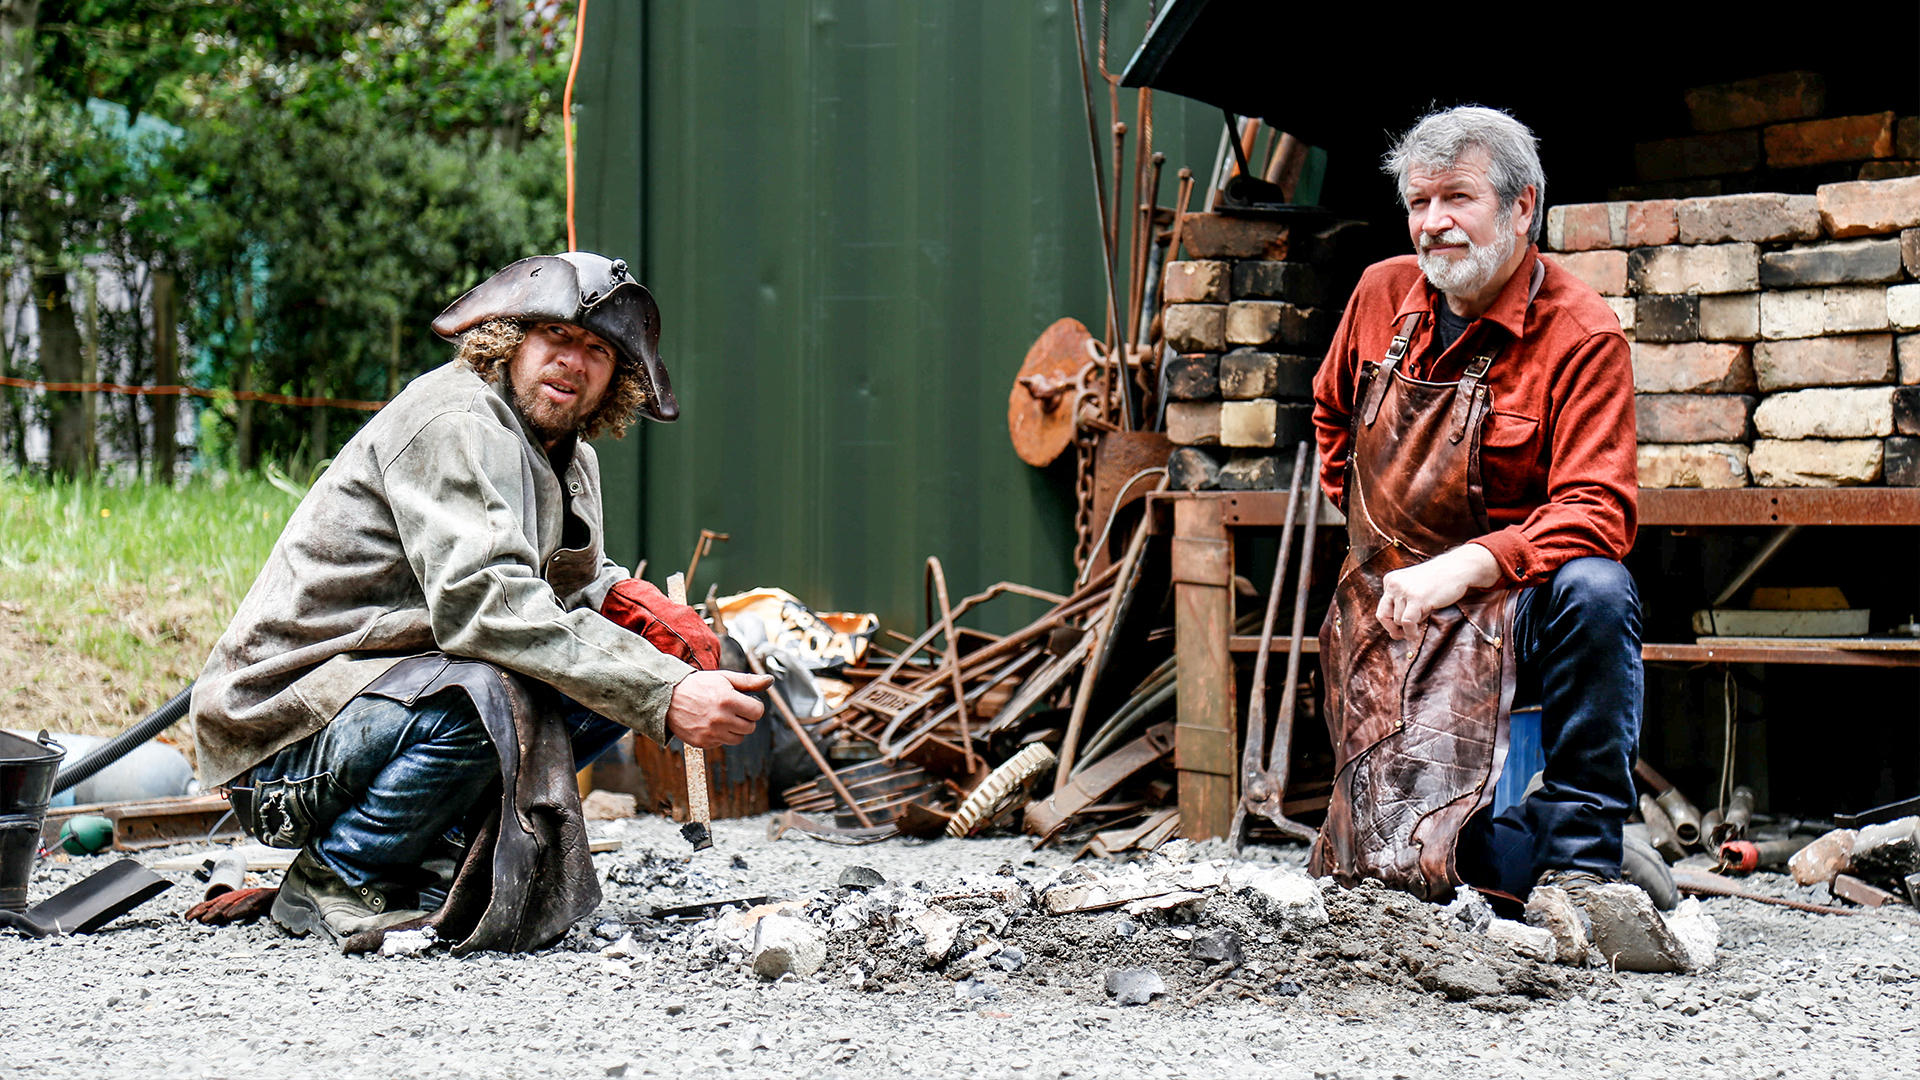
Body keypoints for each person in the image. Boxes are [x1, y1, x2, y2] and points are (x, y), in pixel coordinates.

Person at [189, 251, 770, 946]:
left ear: (618, 379)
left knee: (611, 666)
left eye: (596, 351)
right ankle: (339, 874)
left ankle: (429, 853)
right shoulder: (453, 420)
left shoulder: (570, 456)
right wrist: (665, 691)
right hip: (284, 738)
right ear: (510, 337)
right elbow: (488, 609)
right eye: (555, 337)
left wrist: (636, 608)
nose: (572, 362)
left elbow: (567, 585)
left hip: (386, 700)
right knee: (501, 684)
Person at [1308, 107, 1649, 911]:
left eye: (1456, 199)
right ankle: (1521, 856)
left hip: (1516, 603)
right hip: (1398, 612)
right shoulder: (1379, 294)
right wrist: (1379, 547)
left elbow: (1600, 508)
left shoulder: (1582, 334)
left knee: (1598, 591)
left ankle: (1586, 865)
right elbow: (1331, 417)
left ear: (1522, 206)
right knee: (1398, 877)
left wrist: (1469, 565)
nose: (1434, 224)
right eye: (1419, 204)